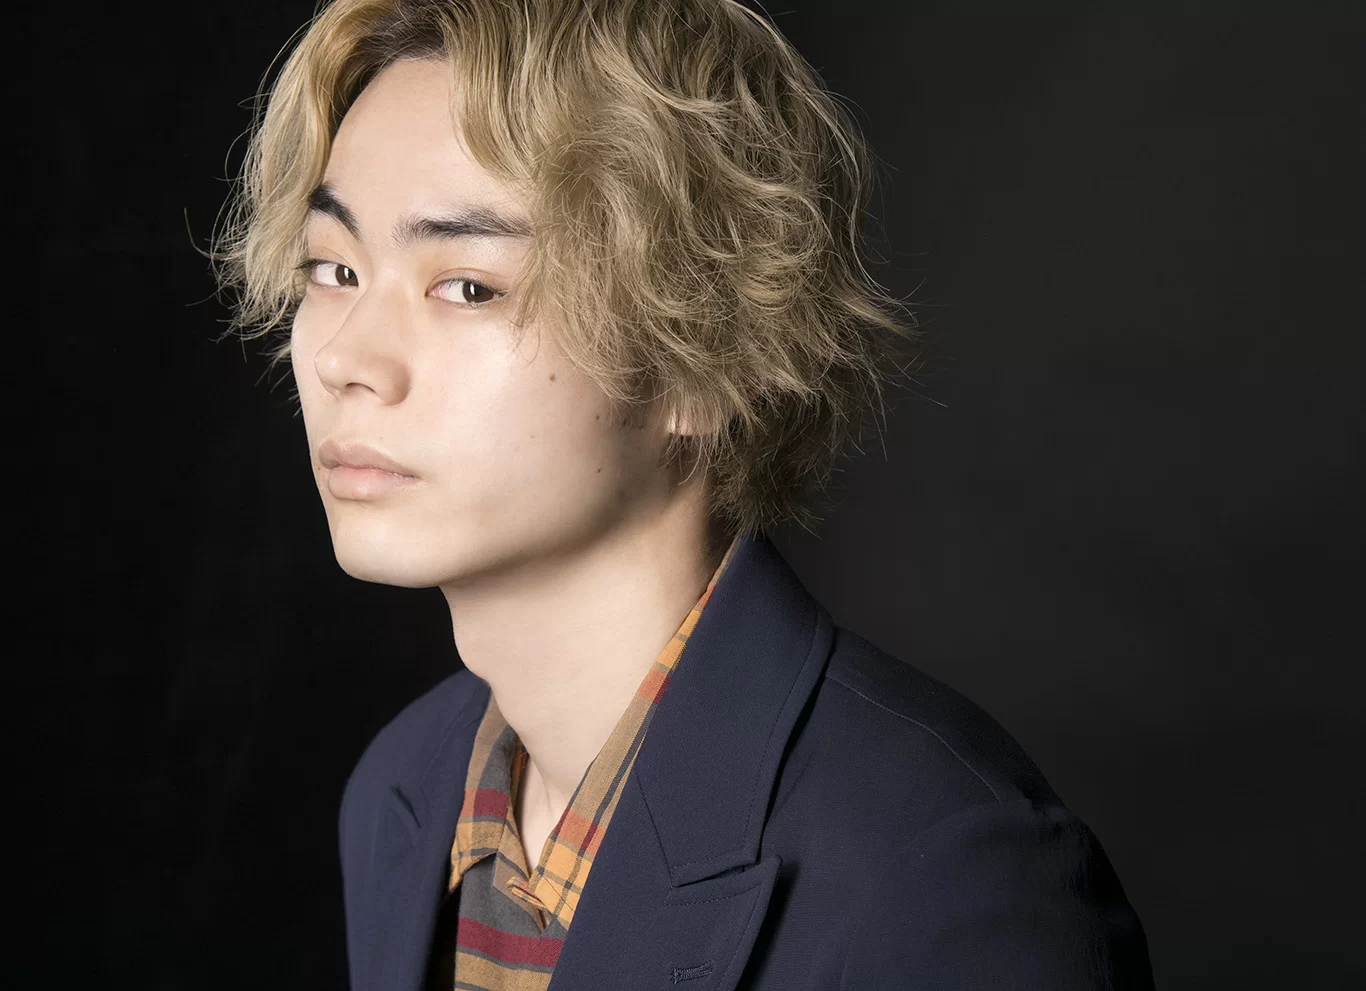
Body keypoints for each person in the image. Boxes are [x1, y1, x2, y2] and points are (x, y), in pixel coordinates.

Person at [211, 1, 1154, 987]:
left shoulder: (941, 877)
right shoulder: (402, 792)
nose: (346, 358)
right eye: (334, 268)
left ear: (702, 355)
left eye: (468, 286)